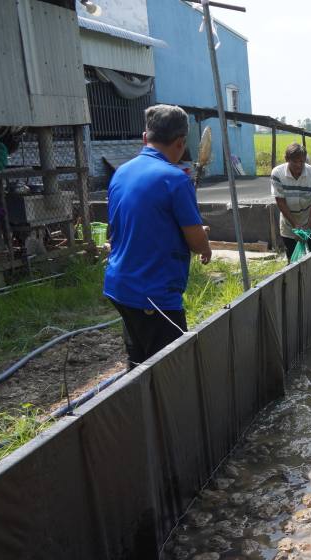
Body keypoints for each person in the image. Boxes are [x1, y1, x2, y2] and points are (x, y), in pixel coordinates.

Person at [104, 104, 212, 367]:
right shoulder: (175, 180)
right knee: (171, 371)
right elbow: (197, 243)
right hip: (153, 295)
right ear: (180, 142)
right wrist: (204, 243)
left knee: (139, 364)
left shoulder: (121, 173)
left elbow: (135, 223)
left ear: (145, 138)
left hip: (120, 287)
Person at [271, 143, 311, 260]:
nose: (299, 165)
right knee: (293, 261)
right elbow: (280, 201)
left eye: (302, 161)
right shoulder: (277, 174)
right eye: (295, 162)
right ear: (287, 159)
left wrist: (308, 228)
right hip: (289, 224)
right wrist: (295, 226)